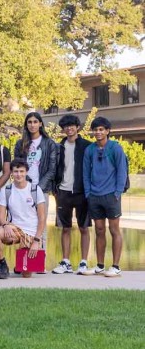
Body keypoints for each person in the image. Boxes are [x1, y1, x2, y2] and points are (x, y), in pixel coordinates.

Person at [83, 116, 128, 277]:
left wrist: (117, 192)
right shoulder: (90, 150)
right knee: (99, 230)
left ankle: (115, 266)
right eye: (95, 129)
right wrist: (88, 193)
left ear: (107, 131)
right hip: (94, 196)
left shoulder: (115, 148)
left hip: (111, 196)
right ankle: (100, 265)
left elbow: (122, 171)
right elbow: (86, 173)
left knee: (114, 230)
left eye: (101, 129)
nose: (98, 132)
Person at [0, 160, 48, 279]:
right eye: (16, 171)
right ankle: (3, 265)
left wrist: (37, 241)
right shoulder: (6, 190)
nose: (19, 174)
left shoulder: (36, 190)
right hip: (14, 229)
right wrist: (6, 225)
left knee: (26, 274)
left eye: (21, 171)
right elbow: (1, 217)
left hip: (32, 233)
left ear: (26, 172)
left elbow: (42, 218)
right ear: (11, 172)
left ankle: (19, 265)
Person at [52, 114, 93, 275]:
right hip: (63, 191)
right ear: (63, 129)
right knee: (65, 228)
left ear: (77, 127)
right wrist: (55, 189)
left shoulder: (87, 146)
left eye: (72, 125)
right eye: (66, 126)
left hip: (82, 192)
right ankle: (66, 261)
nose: (69, 128)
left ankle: (83, 262)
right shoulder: (59, 147)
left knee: (84, 227)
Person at [16, 111, 59, 196]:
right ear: (26, 125)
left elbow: (52, 170)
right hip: (24, 187)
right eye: (29, 122)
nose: (32, 125)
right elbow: (17, 165)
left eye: (35, 122)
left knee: (41, 210)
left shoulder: (49, 143)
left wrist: (39, 188)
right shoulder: (20, 144)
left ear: (40, 124)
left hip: (42, 189)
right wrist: (25, 183)